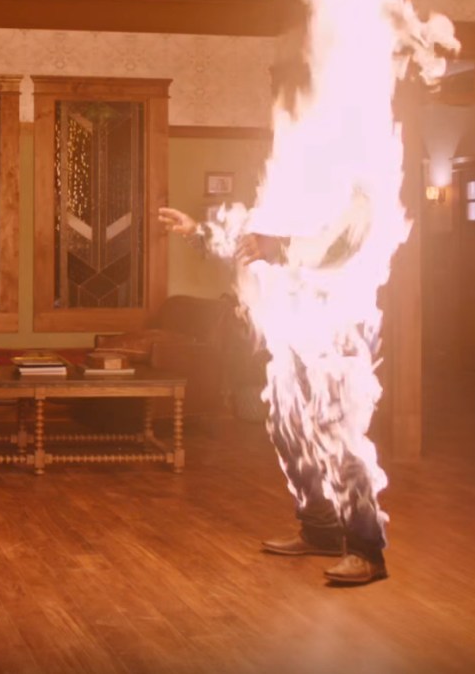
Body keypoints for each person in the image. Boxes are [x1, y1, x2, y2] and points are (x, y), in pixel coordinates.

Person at [158, 202, 388, 586]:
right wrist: (198, 231)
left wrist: (279, 247)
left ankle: (367, 552)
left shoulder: (345, 192)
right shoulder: (291, 191)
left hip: (333, 339)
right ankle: (321, 531)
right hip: (293, 338)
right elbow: (250, 244)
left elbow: (345, 247)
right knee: (290, 432)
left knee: (339, 443)